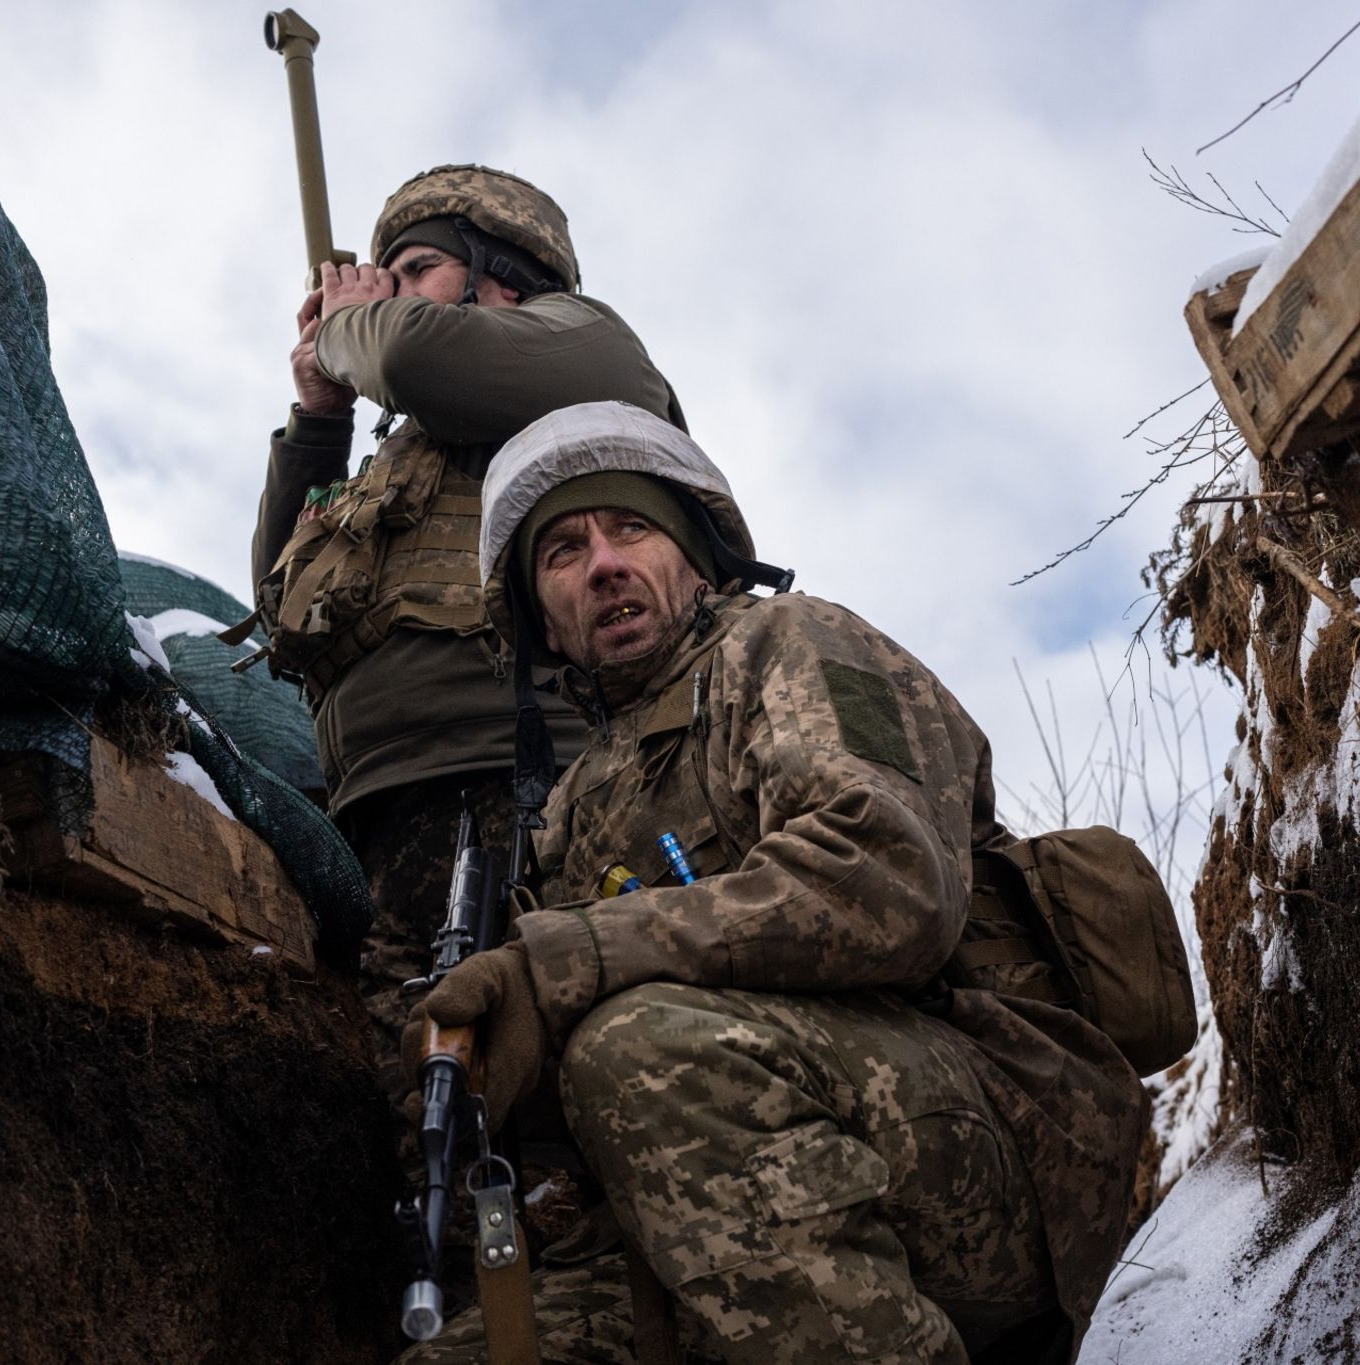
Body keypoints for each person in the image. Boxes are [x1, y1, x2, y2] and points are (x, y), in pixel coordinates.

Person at [399, 401, 1148, 1364]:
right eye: (564, 551)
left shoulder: (789, 645)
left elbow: (887, 880)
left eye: (632, 527)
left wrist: (576, 955)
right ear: (542, 619)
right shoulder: (576, 803)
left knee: (641, 1048)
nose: (603, 564)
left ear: (698, 558)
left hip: (992, 1152)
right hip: (702, 1206)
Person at [245, 166, 682, 1080]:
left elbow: (408, 354)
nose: (386, 291)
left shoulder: (585, 351)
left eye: (413, 268)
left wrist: (346, 330)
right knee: (410, 1100)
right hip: (378, 812)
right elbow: (282, 608)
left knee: (540, 1078)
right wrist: (319, 418)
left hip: (533, 788)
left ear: (503, 279)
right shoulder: (402, 458)